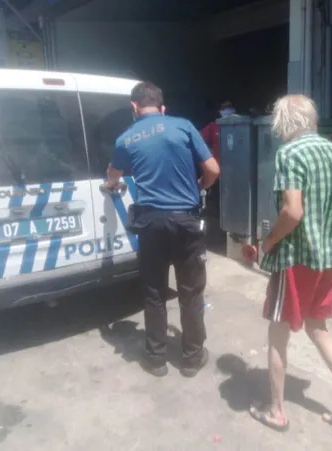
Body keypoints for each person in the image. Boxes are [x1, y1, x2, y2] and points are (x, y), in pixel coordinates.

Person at [249, 94, 332, 431]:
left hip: (297, 261)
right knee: (318, 327)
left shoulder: (290, 153)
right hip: (330, 261)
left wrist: (268, 242)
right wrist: (328, 230)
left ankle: (276, 410)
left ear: (283, 123)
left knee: (277, 332)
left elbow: (293, 212)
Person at [105, 82, 220, 378]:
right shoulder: (183, 127)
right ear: (162, 107)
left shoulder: (125, 138)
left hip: (151, 223)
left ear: (134, 107)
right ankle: (192, 359)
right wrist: (200, 185)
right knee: (190, 292)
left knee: (154, 292)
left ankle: (156, 360)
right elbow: (213, 170)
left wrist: (111, 184)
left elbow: (113, 175)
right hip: (186, 221)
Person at [199, 100, 235, 219]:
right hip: (218, 169)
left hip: (235, 169)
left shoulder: (239, 125)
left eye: (229, 108)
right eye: (224, 108)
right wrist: (208, 152)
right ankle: (216, 220)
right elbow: (198, 139)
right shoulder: (213, 126)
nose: (227, 111)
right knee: (217, 197)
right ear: (220, 111)